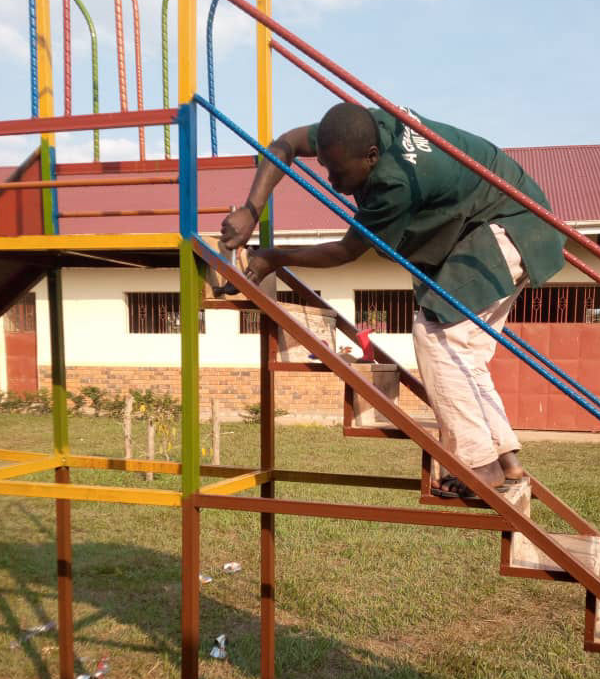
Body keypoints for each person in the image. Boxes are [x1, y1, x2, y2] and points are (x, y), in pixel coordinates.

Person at [220, 102, 564, 497]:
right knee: (463, 353)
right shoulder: (360, 128)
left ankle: (477, 467)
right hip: (520, 219)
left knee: (436, 333)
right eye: (326, 168)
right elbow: (286, 143)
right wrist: (252, 208)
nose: (331, 180)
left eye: (340, 171)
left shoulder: (394, 182)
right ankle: (507, 463)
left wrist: (273, 258)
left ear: (370, 157)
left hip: (508, 224)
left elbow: (346, 251)